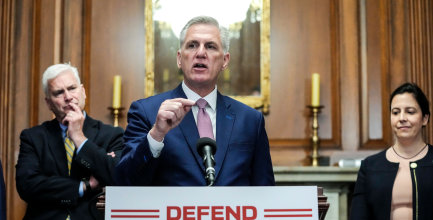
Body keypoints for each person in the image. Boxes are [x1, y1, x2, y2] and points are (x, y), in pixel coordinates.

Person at [115, 16, 275, 186]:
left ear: (225, 61)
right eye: (192, 45)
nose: (200, 53)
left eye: (210, 46)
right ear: (179, 58)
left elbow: (265, 190)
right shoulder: (147, 112)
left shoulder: (250, 120)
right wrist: (156, 135)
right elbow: (124, 181)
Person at [15, 63, 124, 220]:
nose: (68, 97)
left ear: (83, 92)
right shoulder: (33, 137)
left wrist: (79, 138)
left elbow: (116, 175)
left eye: (72, 88)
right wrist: (85, 186)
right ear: (48, 103)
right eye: (59, 93)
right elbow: (28, 186)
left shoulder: (112, 135)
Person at [350, 82, 433, 220]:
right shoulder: (370, 166)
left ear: (425, 118)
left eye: (410, 112)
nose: (402, 118)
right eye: (396, 112)